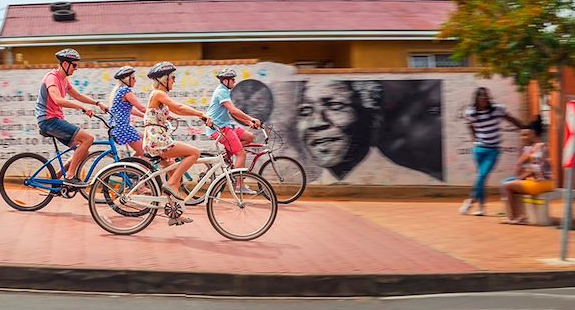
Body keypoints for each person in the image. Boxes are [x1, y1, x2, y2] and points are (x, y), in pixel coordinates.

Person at [296, 80, 440, 185]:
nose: (316, 123)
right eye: (305, 110)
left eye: (334, 106)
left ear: (373, 118)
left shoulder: (417, 184)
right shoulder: (309, 191)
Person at [142, 62, 212, 223]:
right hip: (158, 140)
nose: (174, 81)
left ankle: (174, 215)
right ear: (163, 79)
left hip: (158, 138)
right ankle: (171, 184)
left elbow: (165, 111)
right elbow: (178, 107)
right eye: (172, 78)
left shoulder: (158, 95)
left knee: (175, 174)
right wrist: (200, 114)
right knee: (194, 153)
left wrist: (168, 117)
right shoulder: (158, 93)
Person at [35, 48, 108, 187]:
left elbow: (78, 96)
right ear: (65, 64)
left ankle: (57, 177)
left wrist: (97, 103)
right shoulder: (52, 77)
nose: (76, 68)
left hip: (55, 120)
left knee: (84, 151)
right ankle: (70, 176)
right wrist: (82, 108)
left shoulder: (63, 80)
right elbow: (57, 99)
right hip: (48, 120)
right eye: (74, 65)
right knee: (88, 139)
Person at [460, 87, 524, 216]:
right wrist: (474, 138)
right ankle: (481, 207)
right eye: (481, 97)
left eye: (486, 97)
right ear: (476, 99)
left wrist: (525, 127)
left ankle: (472, 200)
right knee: (481, 178)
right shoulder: (471, 113)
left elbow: (511, 119)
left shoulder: (496, 110)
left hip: (493, 150)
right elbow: (469, 124)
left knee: (482, 175)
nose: (484, 99)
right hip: (479, 149)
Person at [206, 68, 262, 193]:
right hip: (219, 129)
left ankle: (229, 153)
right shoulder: (221, 91)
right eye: (233, 80)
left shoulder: (225, 91)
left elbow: (232, 112)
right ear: (226, 81)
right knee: (241, 154)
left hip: (227, 126)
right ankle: (239, 186)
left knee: (249, 137)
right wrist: (251, 118)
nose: (234, 82)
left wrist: (248, 122)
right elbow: (233, 110)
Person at [502, 116, 553, 224]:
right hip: (541, 181)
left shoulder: (539, 147)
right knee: (510, 184)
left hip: (542, 182)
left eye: (525, 135)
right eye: (521, 135)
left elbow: (535, 168)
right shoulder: (535, 146)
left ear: (533, 133)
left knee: (508, 186)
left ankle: (516, 217)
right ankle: (519, 215)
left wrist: (520, 178)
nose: (523, 138)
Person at [107, 66, 147, 157]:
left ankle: (128, 167)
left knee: (146, 139)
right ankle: (142, 170)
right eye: (133, 78)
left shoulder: (117, 90)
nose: (135, 80)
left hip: (118, 128)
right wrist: (158, 115)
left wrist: (144, 116)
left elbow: (129, 109)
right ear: (126, 79)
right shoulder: (125, 90)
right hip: (123, 128)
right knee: (146, 154)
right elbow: (142, 108)